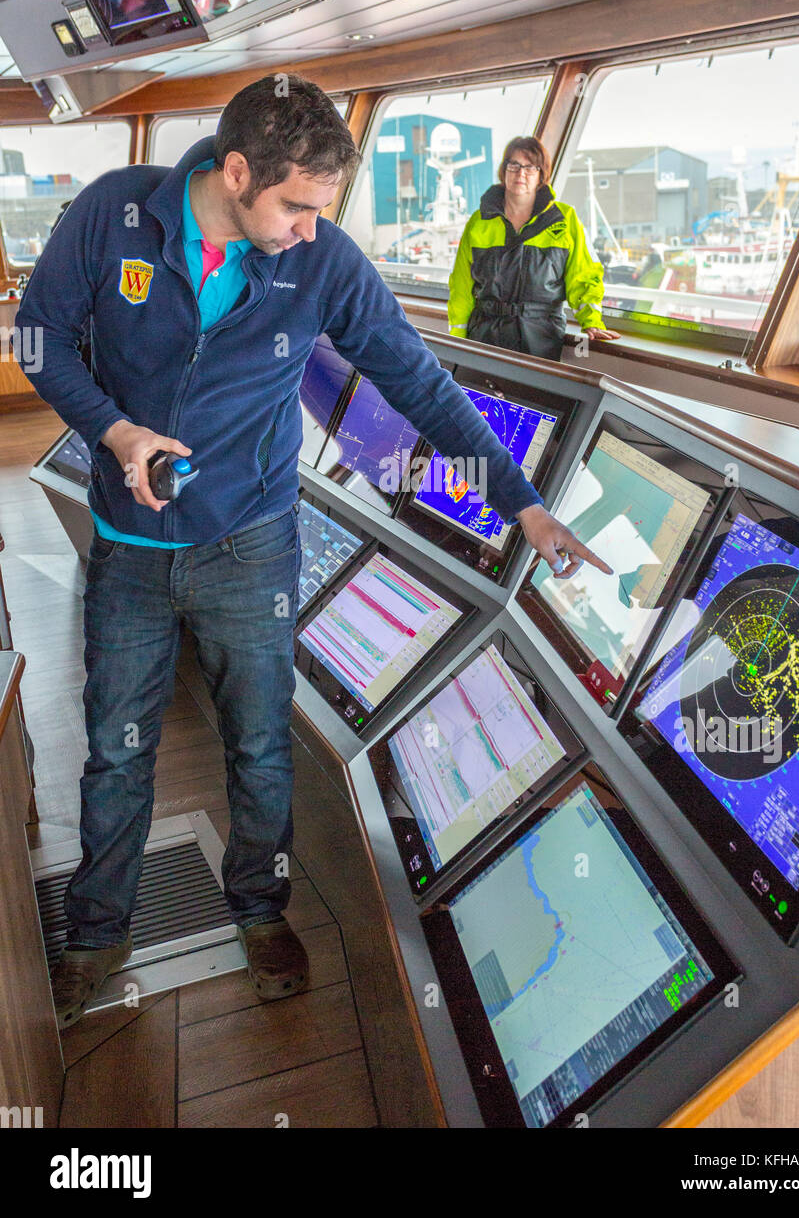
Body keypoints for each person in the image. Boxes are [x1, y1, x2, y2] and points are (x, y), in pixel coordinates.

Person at [15, 74, 611, 1028]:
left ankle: (259, 909)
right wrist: (115, 433)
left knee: (260, 745)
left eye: (321, 211)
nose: (306, 229)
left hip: (253, 543)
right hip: (128, 544)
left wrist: (523, 505)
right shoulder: (112, 214)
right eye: (294, 206)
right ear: (237, 171)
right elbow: (39, 338)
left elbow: (418, 380)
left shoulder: (322, 259)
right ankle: (98, 931)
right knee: (116, 750)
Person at [447, 135, 620, 360]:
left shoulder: (564, 219)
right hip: (485, 333)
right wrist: (458, 337)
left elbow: (583, 275)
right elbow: (461, 285)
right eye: (514, 165)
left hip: (542, 336)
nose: (521, 174)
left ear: (541, 175)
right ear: (504, 171)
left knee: (533, 394)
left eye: (530, 167)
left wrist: (592, 322)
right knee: (482, 395)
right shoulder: (479, 222)